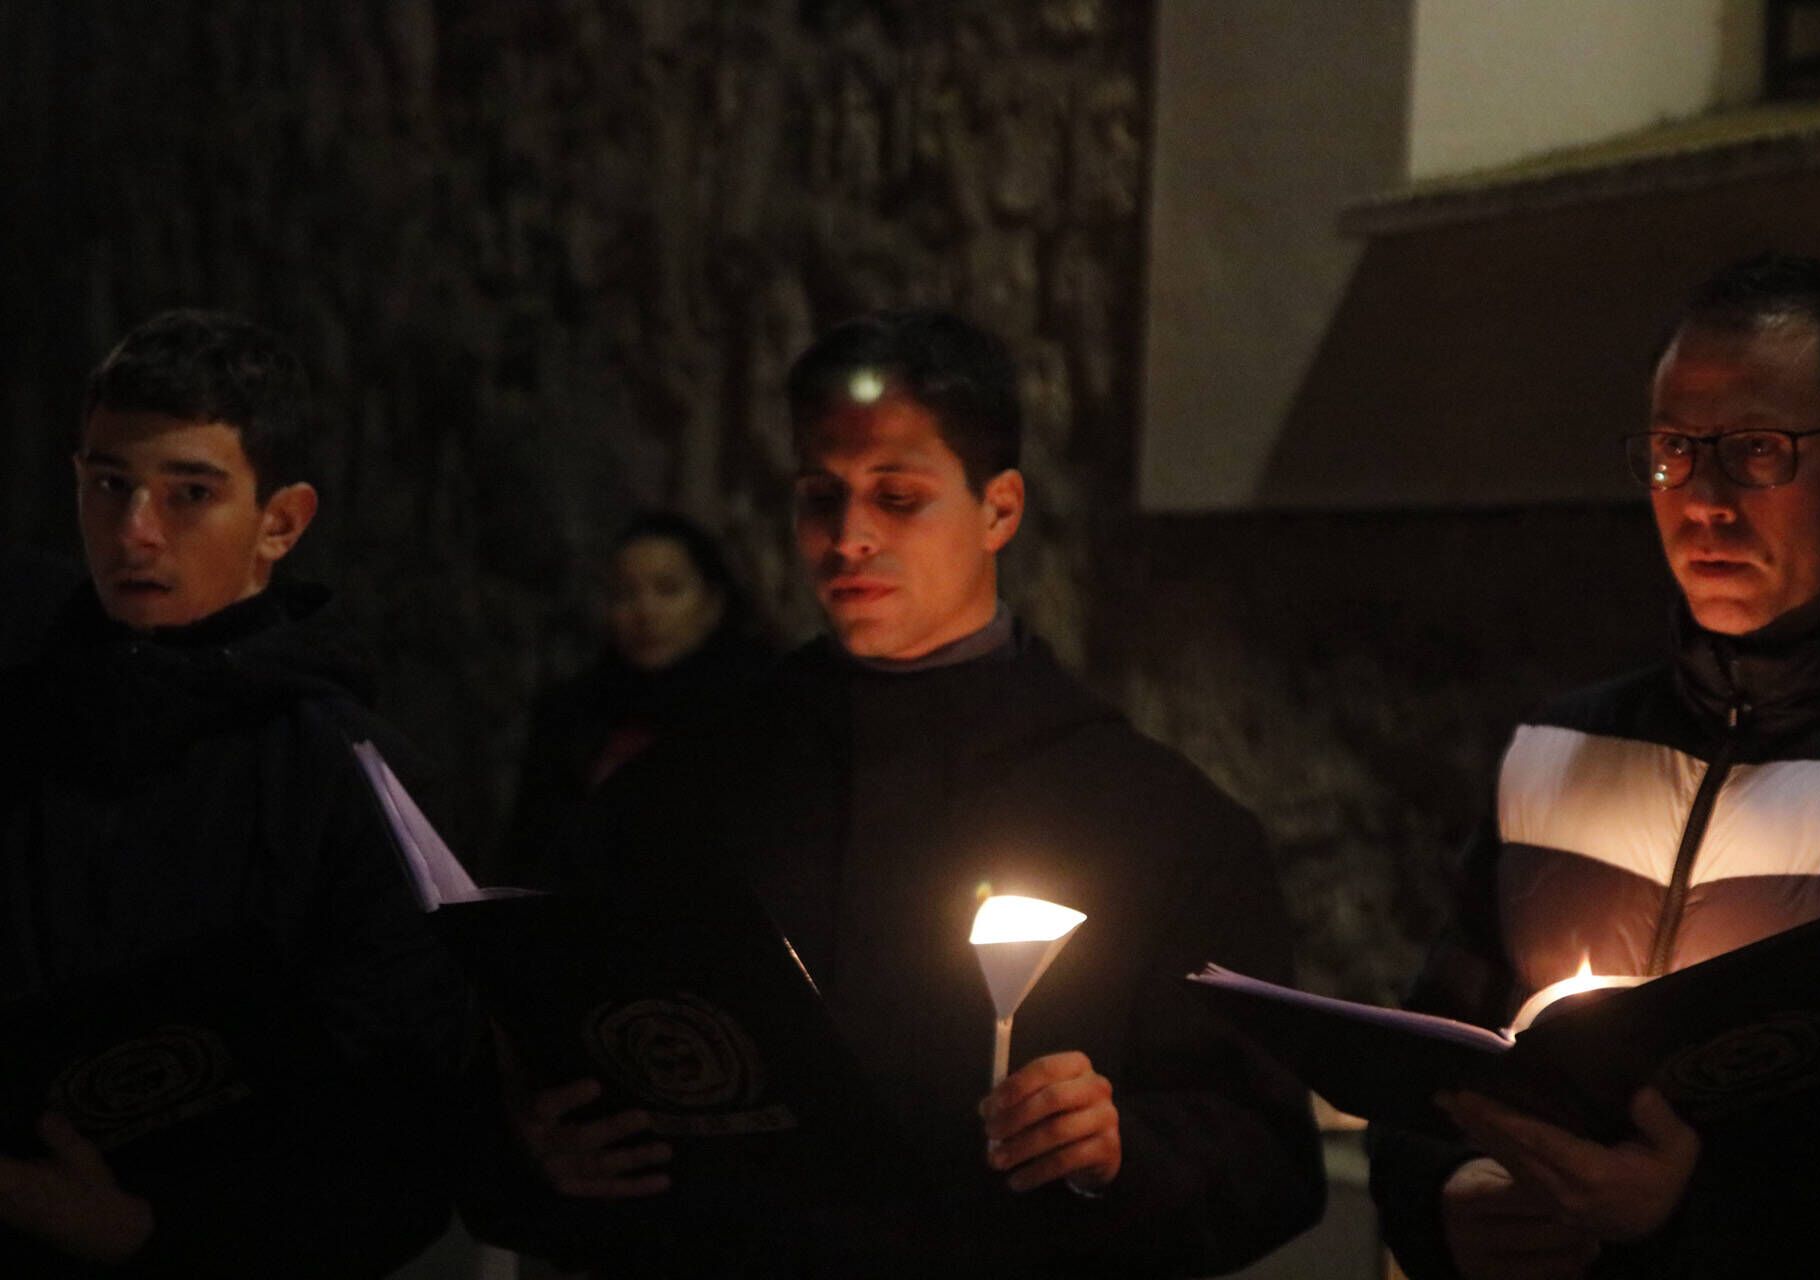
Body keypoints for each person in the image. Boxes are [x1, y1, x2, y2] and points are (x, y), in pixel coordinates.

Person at [481, 309, 1326, 1276]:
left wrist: (1119, 1149)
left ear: (999, 510)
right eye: (819, 497)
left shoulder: (1158, 822)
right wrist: (542, 1151)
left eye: (899, 497)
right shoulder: (680, 791)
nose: (849, 539)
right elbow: (537, 1055)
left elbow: (1264, 1153)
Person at [1368, 254, 1820, 1279]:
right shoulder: (1562, 751)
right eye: (1674, 451)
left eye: (1757, 451)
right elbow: (1430, 1065)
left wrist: (1690, 1214)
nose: (1702, 501)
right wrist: (1442, 1202)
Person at [0, 309, 468, 1276]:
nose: (135, 532)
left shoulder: (348, 782)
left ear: (281, 522)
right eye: (108, 485)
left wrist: (148, 1236)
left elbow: (402, 1123)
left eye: (189, 494)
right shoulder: (23, 722)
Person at [500, 510, 772, 886]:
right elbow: (530, 849)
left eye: (667, 589)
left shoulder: (758, 710)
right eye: (625, 594)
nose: (645, 612)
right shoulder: (573, 713)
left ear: (712, 603)